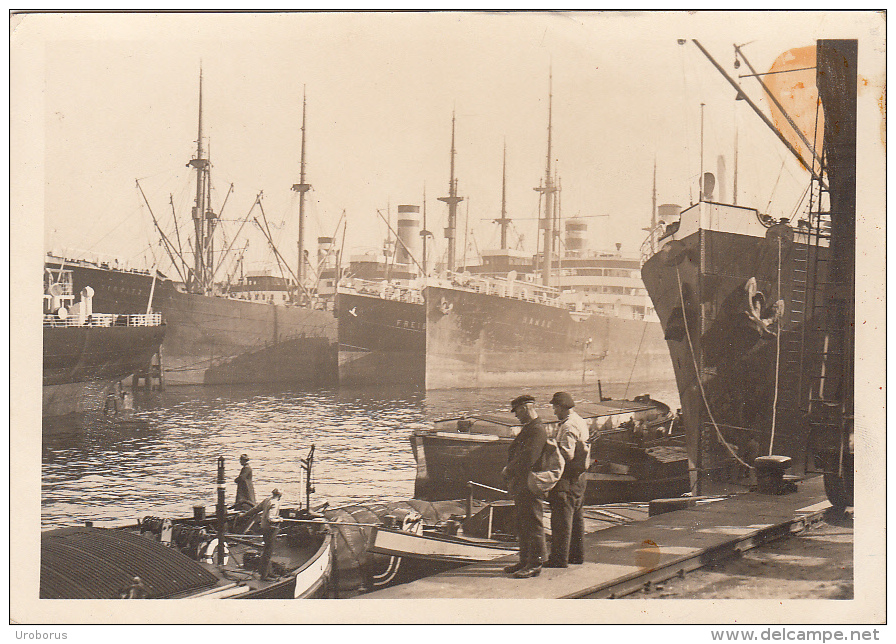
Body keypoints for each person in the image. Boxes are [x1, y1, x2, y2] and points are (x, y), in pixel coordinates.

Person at [501, 394, 548, 579]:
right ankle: (524, 559)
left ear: (526, 408)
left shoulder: (537, 430)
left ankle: (535, 563)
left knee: (533, 522)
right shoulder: (530, 428)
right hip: (522, 483)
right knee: (522, 522)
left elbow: (529, 458)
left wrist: (508, 469)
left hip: (530, 483)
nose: (516, 416)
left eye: (518, 411)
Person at [546, 391, 590, 567]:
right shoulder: (579, 420)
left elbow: (567, 454)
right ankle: (577, 556)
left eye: (555, 408)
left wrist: (551, 448)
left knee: (561, 520)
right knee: (577, 518)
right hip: (580, 478)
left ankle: (559, 559)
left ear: (562, 407)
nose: (554, 412)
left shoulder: (568, 426)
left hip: (567, 479)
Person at [237, 488, 283, 581]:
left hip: (264, 528)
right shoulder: (274, 503)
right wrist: (280, 519)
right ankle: (264, 575)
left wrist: (243, 515)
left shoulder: (267, 500)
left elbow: (256, 509)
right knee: (268, 552)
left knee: (267, 550)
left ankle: (269, 572)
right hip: (271, 529)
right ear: (280, 495)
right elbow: (271, 519)